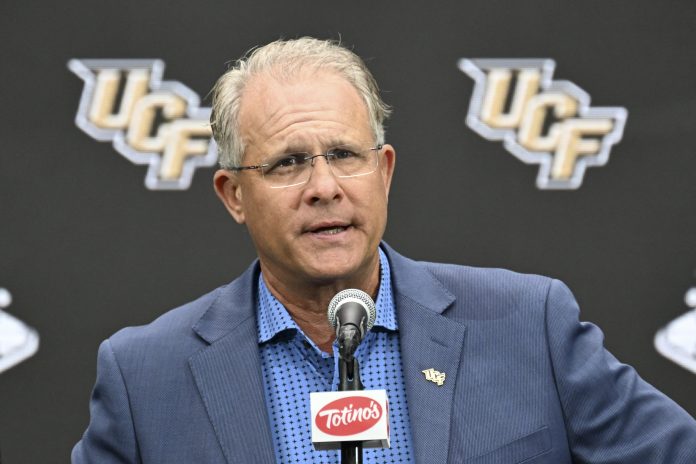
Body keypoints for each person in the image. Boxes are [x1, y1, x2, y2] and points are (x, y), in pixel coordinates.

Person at [73, 37, 696, 464]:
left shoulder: (530, 325)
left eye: (345, 155)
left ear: (385, 171)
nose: (324, 188)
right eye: (289, 163)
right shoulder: (144, 377)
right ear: (234, 194)